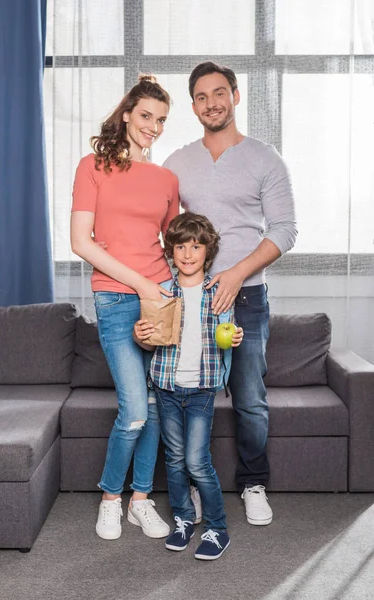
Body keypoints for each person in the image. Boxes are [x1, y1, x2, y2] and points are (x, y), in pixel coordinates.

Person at [162, 62, 298, 527]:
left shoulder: (266, 159)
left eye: (219, 93)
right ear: (194, 105)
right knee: (182, 391)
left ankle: (253, 482)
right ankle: (192, 489)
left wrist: (238, 273)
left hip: (245, 298)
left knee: (249, 397)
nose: (211, 103)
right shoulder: (176, 163)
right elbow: (161, 230)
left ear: (236, 96)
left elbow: (285, 230)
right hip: (187, 298)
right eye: (201, 97)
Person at [70, 74, 180, 541]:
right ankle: (110, 498)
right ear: (126, 114)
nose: (153, 127)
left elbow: (178, 247)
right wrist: (141, 283)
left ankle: (140, 499)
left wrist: (180, 293)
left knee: (155, 405)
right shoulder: (92, 166)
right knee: (134, 408)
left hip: (160, 297)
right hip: (116, 297)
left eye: (161, 120)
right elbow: (80, 242)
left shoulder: (167, 179)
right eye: (146, 116)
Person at [134, 212, 243, 560]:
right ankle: (183, 519)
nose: (188, 253)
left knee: (197, 462)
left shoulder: (217, 291)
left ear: (207, 250)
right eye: (181, 246)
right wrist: (142, 335)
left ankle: (217, 528)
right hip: (166, 388)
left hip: (201, 391)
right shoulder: (163, 293)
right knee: (176, 460)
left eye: (196, 246)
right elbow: (151, 342)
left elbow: (227, 335)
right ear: (171, 250)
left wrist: (234, 336)